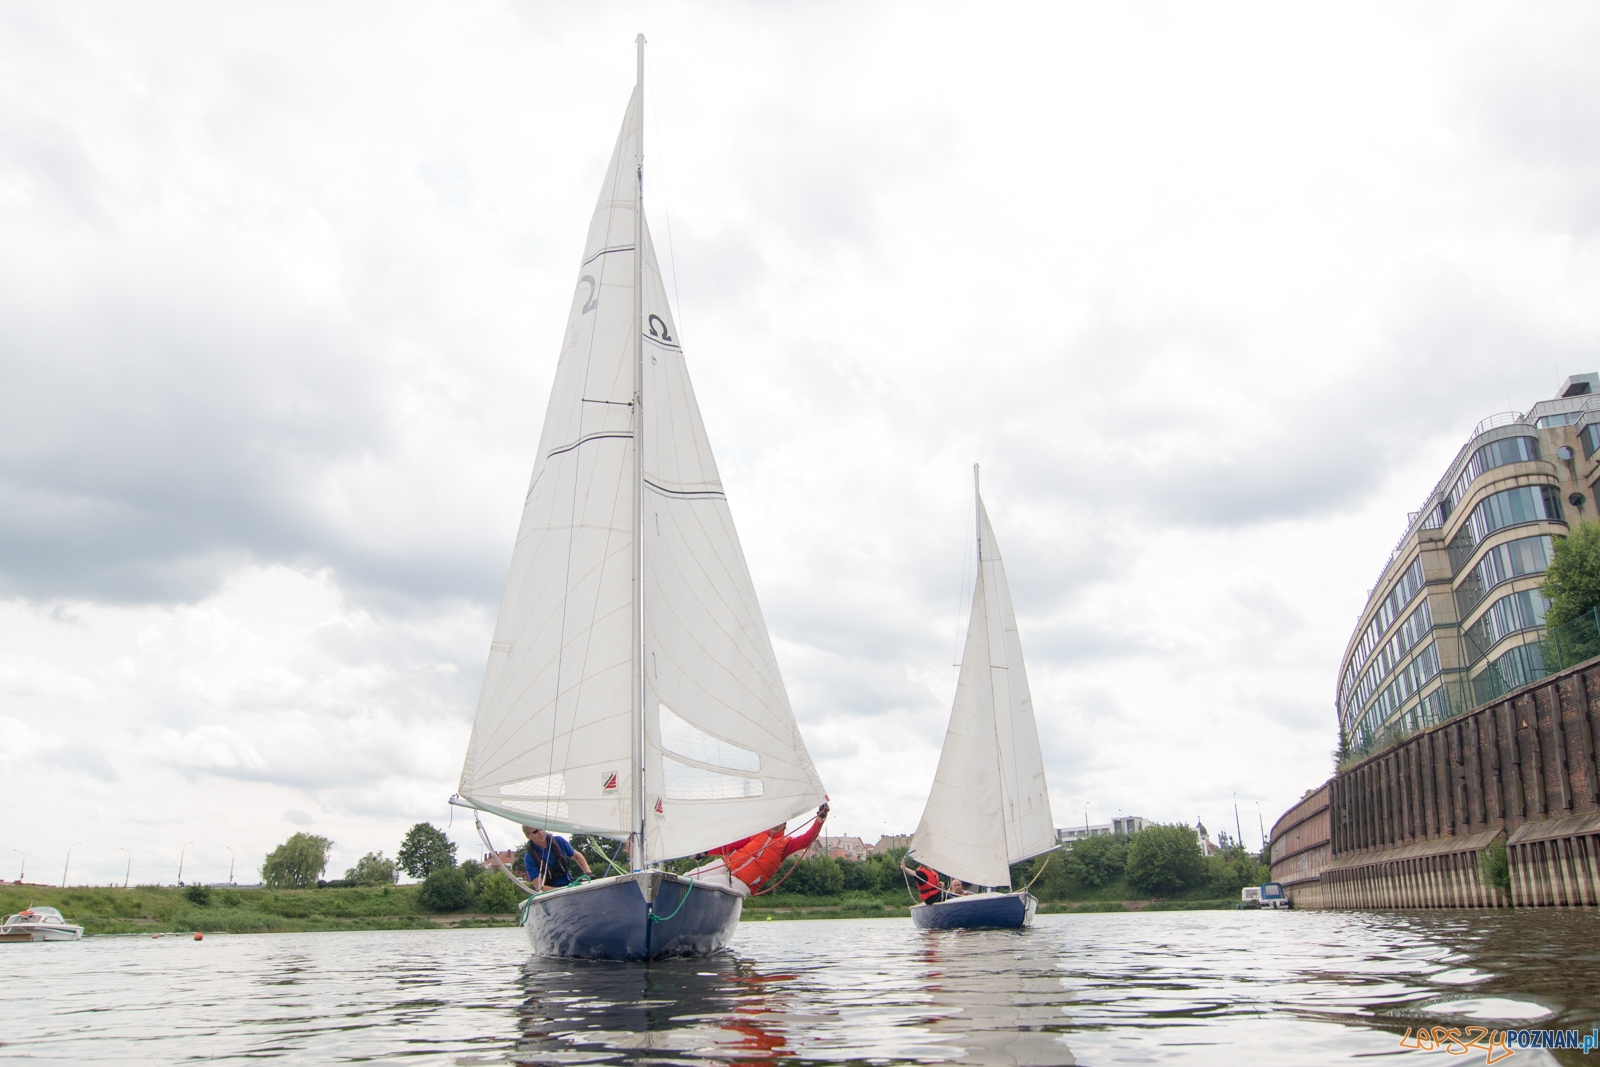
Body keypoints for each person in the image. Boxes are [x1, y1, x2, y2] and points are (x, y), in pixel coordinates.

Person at [702, 802, 830, 893]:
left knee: (707, 882)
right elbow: (729, 846)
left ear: (784, 825)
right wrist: (705, 852)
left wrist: (819, 819)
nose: (776, 824)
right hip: (726, 864)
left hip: (742, 883)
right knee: (689, 877)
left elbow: (807, 839)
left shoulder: (786, 844)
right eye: (774, 820)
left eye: (780, 822)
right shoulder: (756, 833)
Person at [522, 825, 592, 891]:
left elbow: (577, 856)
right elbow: (539, 887)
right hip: (552, 894)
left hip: (570, 884)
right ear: (528, 836)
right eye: (535, 831)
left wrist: (589, 873)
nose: (540, 833)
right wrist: (563, 890)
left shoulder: (559, 841)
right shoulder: (529, 858)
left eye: (541, 828)